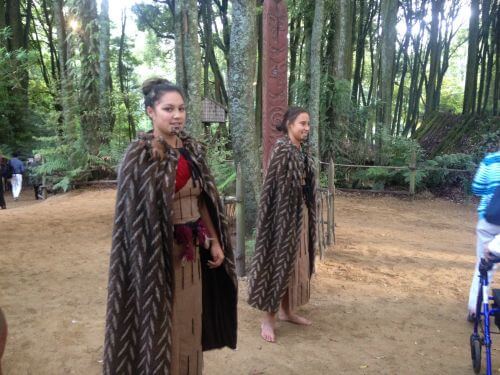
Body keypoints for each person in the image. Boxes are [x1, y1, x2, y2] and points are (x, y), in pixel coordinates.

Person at [103, 78, 238, 374]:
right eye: (168, 108)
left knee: (191, 317)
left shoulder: (193, 151)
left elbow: (205, 201)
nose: (176, 115)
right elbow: (132, 221)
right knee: (163, 323)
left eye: (181, 108)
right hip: (156, 260)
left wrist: (215, 241)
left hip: (193, 254)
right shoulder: (139, 156)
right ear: (151, 111)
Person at [247, 106, 317, 343]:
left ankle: (287, 311)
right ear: (289, 124)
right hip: (282, 217)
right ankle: (269, 317)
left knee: (294, 265)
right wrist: (279, 219)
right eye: (302, 124)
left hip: (301, 214)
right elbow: (272, 188)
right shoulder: (282, 149)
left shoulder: (300, 150)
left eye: (308, 124)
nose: (306, 128)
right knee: (278, 262)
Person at [467, 147, 500, 321]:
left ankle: (476, 308)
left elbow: (477, 188)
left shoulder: (490, 160)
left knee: (484, 264)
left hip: (489, 218)